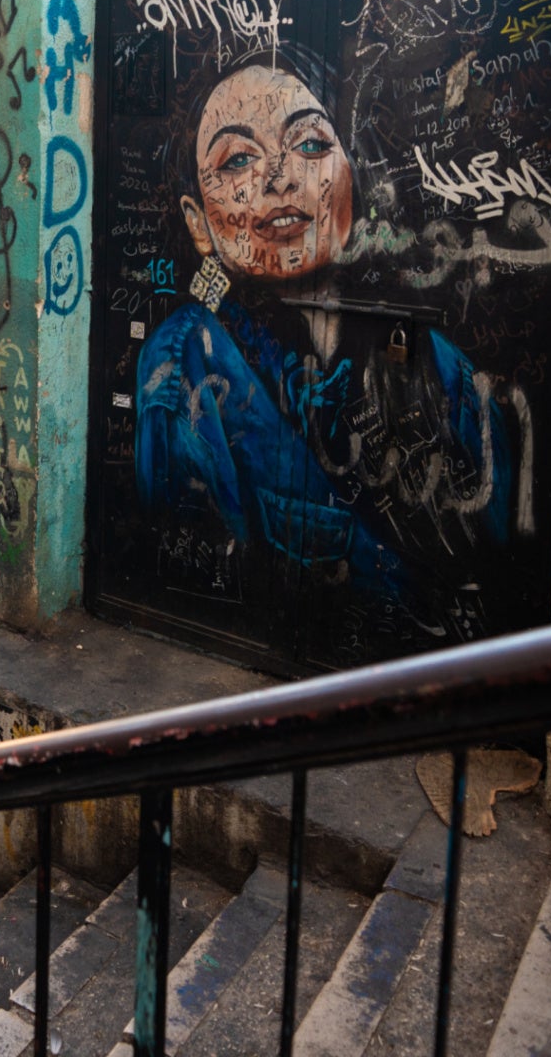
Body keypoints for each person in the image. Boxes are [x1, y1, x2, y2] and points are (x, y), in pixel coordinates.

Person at [134, 44, 514, 652]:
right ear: (198, 222)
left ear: (350, 175)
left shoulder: (436, 364)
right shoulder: (185, 364)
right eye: (237, 161)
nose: (280, 178)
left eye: (310, 145)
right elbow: (199, 580)